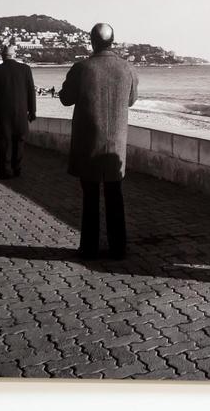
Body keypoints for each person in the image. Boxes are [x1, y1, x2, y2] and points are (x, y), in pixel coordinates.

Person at [60, 23, 138, 260]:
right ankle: (118, 247)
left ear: (92, 41)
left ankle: (89, 247)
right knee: (115, 194)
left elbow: (65, 98)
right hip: (115, 142)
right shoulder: (128, 69)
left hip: (88, 142)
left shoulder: (81, 68)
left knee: (90, 196)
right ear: (113, 41)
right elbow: (131, 100)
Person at [0, 45, 36, 179]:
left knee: (5, 142)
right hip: (21, 112)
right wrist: (32, 111)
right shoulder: (25, 69)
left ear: (2, 56)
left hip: (3, 114)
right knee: (19, 140)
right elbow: (31, 91)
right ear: (14, 55)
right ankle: (17, 168)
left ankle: (5, 171)